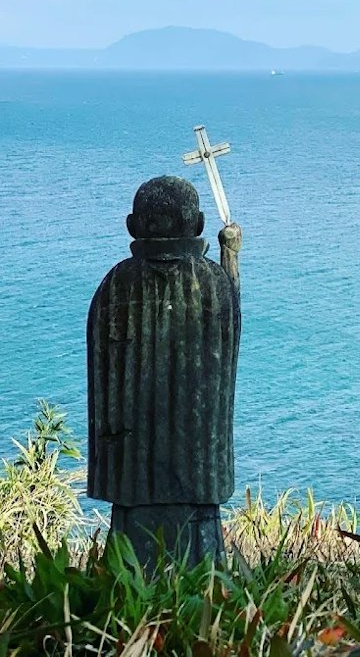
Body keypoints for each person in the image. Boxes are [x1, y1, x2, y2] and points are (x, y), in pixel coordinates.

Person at [87, 175, 242, 569]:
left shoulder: (116, 282)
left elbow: (102, 368)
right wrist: (232, 258)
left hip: (131, 463)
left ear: (132, 225)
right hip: (195, 457)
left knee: (131, 549)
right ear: (199, 224)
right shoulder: (213, 281)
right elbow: (228, 342)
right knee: (200, 552)